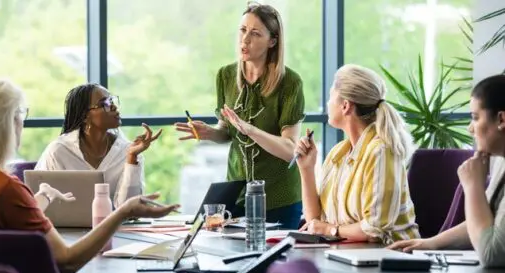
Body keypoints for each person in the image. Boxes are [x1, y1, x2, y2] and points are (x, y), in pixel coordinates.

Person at [0, 80, 178, 273]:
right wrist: (123, 211)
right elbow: (66, 261)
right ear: (6, 125)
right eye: (20, 114)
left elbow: (4, 227)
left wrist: (41, 198)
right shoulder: (6, 189)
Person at [174, 3, 305, 229]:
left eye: (255, 34)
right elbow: (227, 131)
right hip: (237, 195)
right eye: (243, 30)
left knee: (277, 263)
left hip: (279, 198)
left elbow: (290, 150)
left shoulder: (290, 83)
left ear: (272, 41)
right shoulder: (226, 76)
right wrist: (211, 133)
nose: (245, 40)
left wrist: (250, 129)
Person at [295, 64, 420, 244]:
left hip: (389, 258)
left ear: (345, 106)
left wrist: (331, 229)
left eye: (330, 96)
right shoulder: (338, 153)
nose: (328, 103)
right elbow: (315, 220)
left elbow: (374, 229)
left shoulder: (381, 151)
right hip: (348, 255)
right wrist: (306, 169)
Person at [389, 74, 505, 268]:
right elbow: (486, 223)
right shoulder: (501, 160)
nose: (470, 128)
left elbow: (491, 254)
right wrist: (430, 243)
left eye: (475, 118)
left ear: (501, 119)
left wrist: (473, 186)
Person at [36, 83, 161, 207]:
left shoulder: (128, 150)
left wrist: (132, 157)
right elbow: (41, 204)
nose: (113, 107)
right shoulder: (59, 151)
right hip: (67, 226)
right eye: (105, 104)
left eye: (112, 101)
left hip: (116, 227)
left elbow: (129, 209)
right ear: (85, 116)